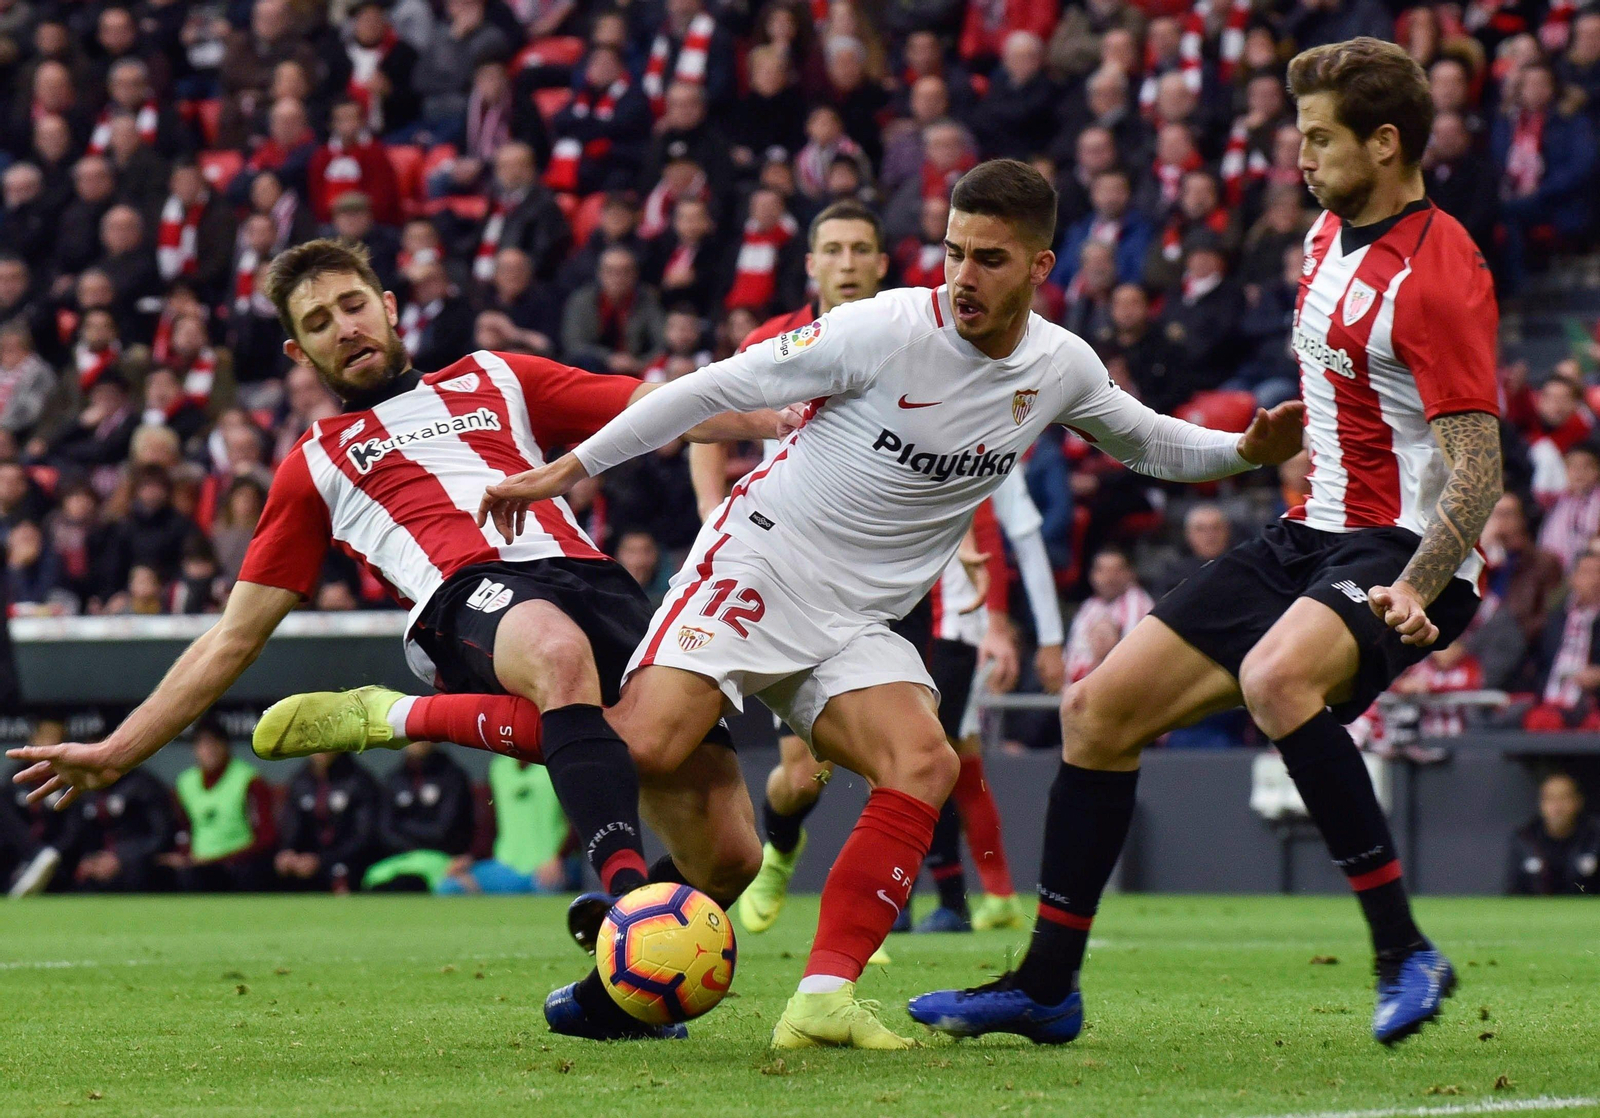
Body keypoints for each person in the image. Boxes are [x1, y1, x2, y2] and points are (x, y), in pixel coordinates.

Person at [478, 158, 1303, 1049]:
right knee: (643, 745)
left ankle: (822, 998)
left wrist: (1244, 451)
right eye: (952, 251)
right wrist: (574, 467)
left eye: (989, 258)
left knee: (924, 763)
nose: (962, 276)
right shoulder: (881, 328)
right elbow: (715, 386)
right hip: (762, 566)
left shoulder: (1059, 366)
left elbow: (1148, 442)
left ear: (1040, 267)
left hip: (857, 622)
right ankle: (400, 713)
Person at [7, 239, 785, 1039]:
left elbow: (656, 405)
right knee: (556, 655)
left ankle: (604, 999)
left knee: (728, 857)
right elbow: (230, 640)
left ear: (386, 303)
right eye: (317, 322)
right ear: (297, 351)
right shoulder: (314, 465)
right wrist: (118, 750)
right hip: (468, 596)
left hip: (597, 583)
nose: (342, 327)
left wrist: (777, 415)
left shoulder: (495, 377)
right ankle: (628, 901)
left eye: (351, 305)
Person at [911, 38, 1501, 1048]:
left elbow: (1476, 465)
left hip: (1400, 550)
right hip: (1305, 536)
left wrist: (1417, 581)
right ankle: (1047, 985)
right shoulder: (1325, 238)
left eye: (1319, 138)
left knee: (1278, 680)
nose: (1300, 156)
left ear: (1388, 141)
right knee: (1094, 710)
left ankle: (1404, 948)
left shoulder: (1438, 272)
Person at [168, 717, 276, 892]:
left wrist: (220, 860)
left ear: (226, 746)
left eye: (214, 743)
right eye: (202, 745)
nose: (208, 750)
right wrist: (184, 855)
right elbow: (183, 828)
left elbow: (266, 837)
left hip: (238, 865)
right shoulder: (185, 783)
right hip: (199, 867)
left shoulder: (249, 780)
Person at [1506, 772, 1600, 895]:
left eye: (1564, 798)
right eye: (1550, 798)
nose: (1557, 807)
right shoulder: (1525, 838)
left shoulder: (1595, 837)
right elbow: (1513, 891)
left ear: (1578, 801)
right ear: (1541, 803)